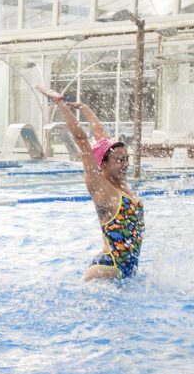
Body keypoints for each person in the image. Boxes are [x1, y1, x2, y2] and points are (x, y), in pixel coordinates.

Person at [36, 86, 144, 281]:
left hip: (126, 270)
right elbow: (82, 140)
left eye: (126, 158)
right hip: (108, 269)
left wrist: (85, 108)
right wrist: (60, 104)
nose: (126, 164)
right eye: (120, 160)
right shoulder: (101, 187)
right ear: (103, 164)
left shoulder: (121, 183)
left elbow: (100, 135)